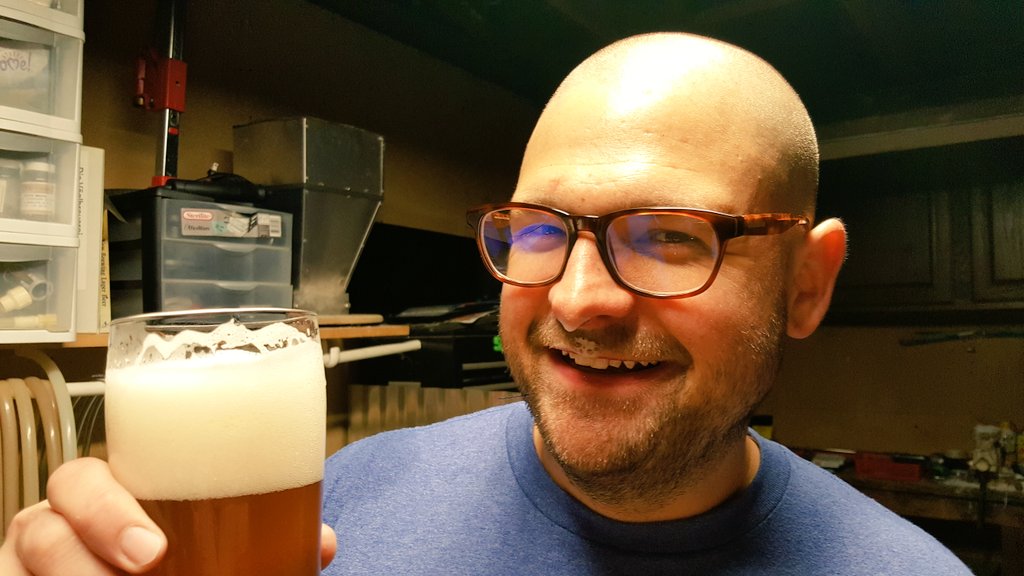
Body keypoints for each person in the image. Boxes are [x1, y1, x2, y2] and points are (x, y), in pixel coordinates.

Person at [1, 32, 970, 575]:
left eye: (671, 236)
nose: (579, 302)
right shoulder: (340, 514)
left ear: (806, 283)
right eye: (540, 230)